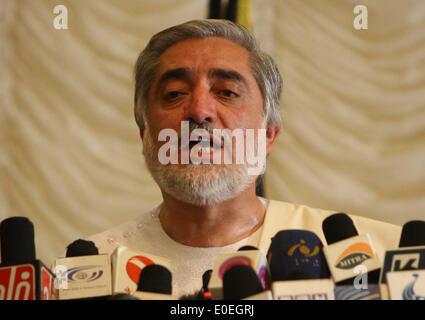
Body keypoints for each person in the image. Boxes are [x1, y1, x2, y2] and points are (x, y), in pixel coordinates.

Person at [88, 19, 401, 298]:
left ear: (268, 135)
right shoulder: (90, 270)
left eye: (226, 92)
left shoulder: (382, 257)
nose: (199, 111)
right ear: (145, 134)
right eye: (174, 94)